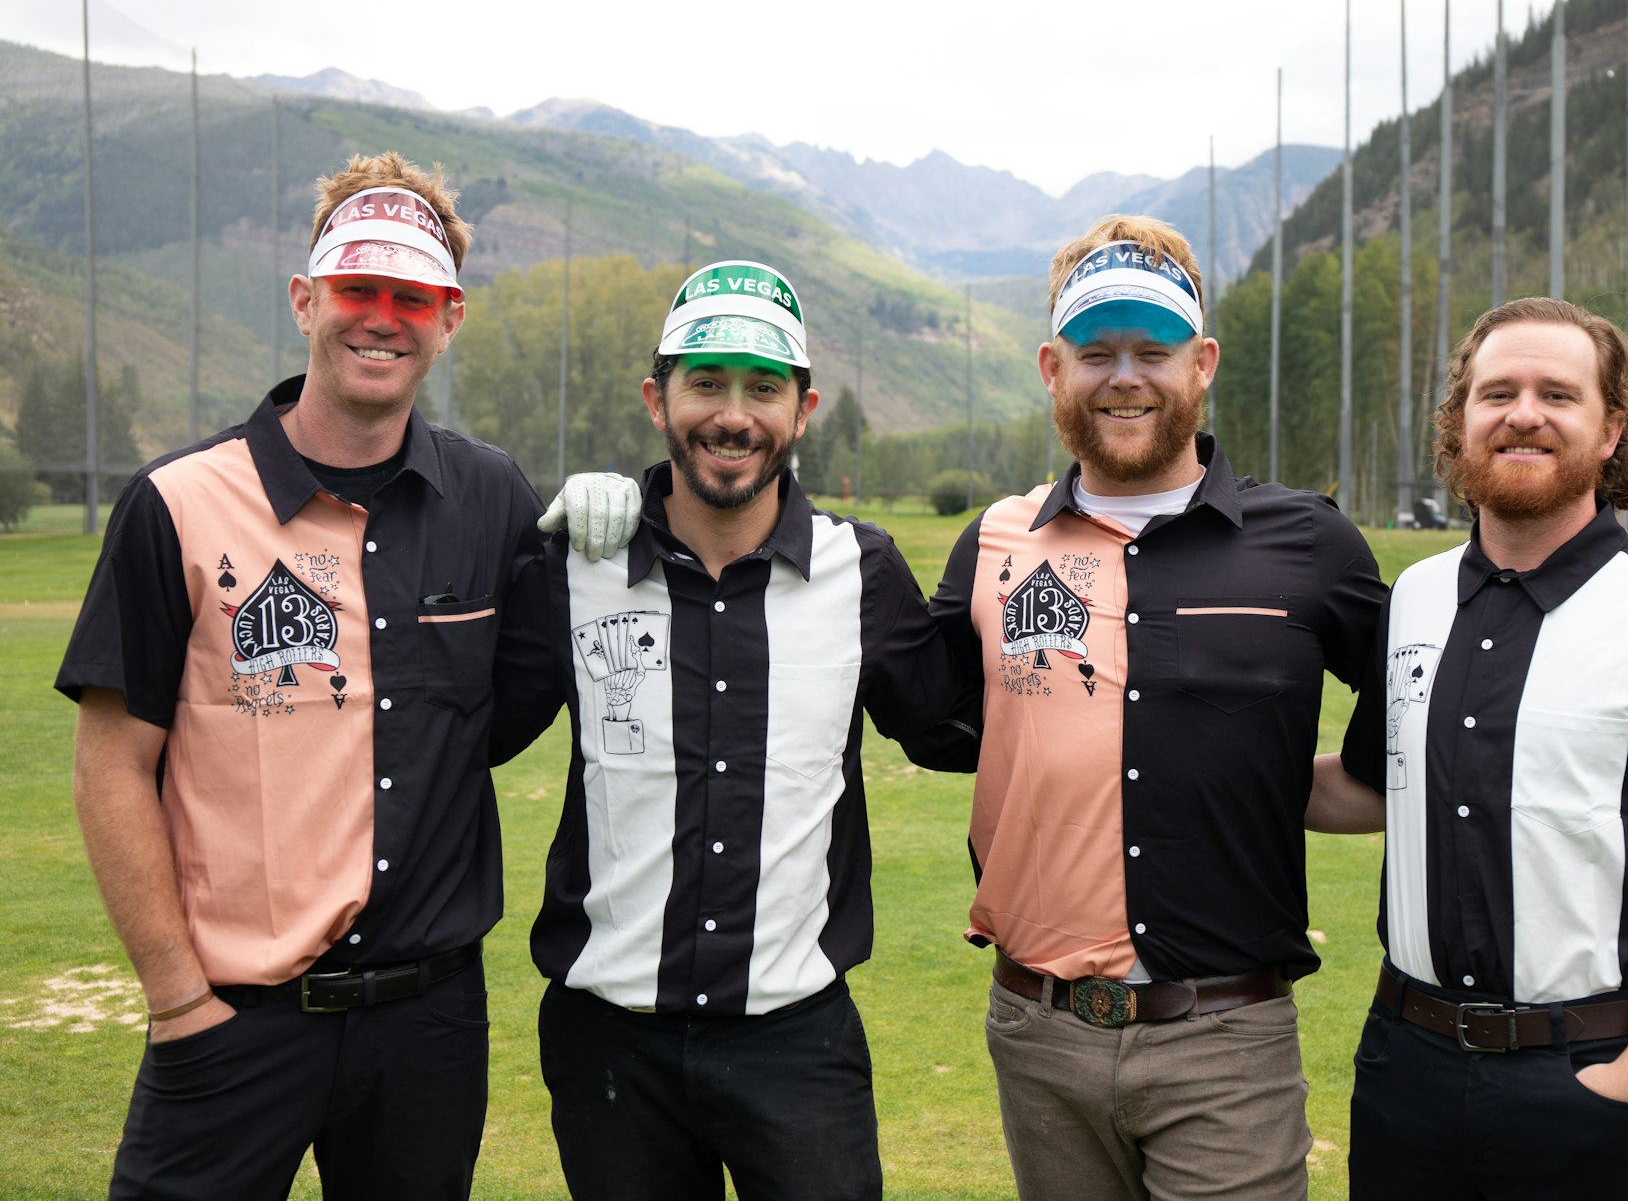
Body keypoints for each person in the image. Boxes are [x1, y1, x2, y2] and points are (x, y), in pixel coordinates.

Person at [56, 151, 634, 1200]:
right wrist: (177, 997)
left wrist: (610, 523)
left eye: (410, 295)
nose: (382, 317)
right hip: (233, 1019)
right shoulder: (176, 504)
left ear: (448, 316)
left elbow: (503, 714)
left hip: (428, 1025)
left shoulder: (491, 496)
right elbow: (111, 768)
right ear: (304, 299)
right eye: (358, 289)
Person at [920, 216, 1387, 1201]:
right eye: (1095, 352)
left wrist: (1271, 784)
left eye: (1152, 350)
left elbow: (1414, 707)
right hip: (1037, 1028)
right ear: (1052, 367)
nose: (1123, 375)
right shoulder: (995, 543)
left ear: (1201, 361)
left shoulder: (1307, 543)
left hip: (1225, 1038)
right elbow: (931, 714)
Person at [1310, 297, 1628, 1200]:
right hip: (1407, 1070)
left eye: (1558, 393)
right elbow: (1374, 786)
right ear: (1460, 423)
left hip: (1589, 1078)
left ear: (1611, 428)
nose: (1524, 414)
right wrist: (1189, 765)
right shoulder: (1414, 600)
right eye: (1496, 392)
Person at [492, 259, 972, 1201]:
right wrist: (511, 540)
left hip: (796, 1040)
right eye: (705, 382)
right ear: (656, 398)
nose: (733, 414)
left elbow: (959, 729)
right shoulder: (573, 568)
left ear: (804, 408)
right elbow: (465, 730)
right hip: (610, 1044)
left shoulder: (860, 571)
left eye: (763, 387)